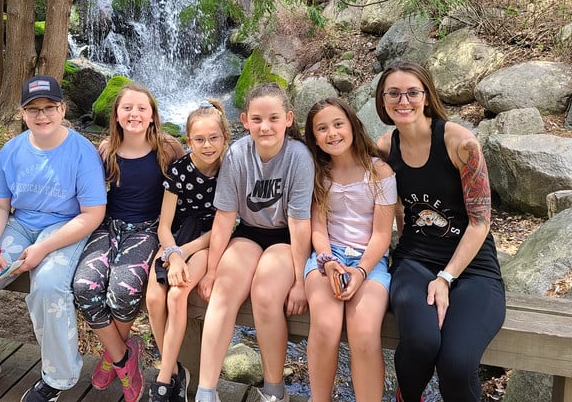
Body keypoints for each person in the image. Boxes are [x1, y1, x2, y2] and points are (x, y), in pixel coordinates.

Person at [0, 75, 106, 402]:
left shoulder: (82, 152)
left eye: (49, 108)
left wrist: (42, 248)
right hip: (20, 224)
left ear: (63, 109)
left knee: (48, 286)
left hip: (66, 228)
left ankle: (58, 377)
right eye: (33, 109)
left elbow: (92, 214)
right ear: (23, 113)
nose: (42, 116)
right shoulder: (12, 151)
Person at [374, 61, 505, 402]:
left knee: (457, 363)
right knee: (421, 342)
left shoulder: (460, 143)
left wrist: (446, 278)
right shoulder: (385, 148)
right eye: (393, 93)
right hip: (414, 260)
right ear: (382, 99)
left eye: (412, 92)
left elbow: (480, 222)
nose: (403, 101)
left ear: (427, 97)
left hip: (474, 267)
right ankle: (408, 395)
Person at [194, 82, 314, 402]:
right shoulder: (236, 154)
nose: (266, 126)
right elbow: (224, 218)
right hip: (248, 231)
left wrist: (301, 281)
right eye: (258, 119)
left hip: (286, 237)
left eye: (274, 118)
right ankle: (206, 390)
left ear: (288, 119)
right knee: (224, 288)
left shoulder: (298, 157)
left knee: (264, 294)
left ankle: (274, 390)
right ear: (245, 120)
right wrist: (210, 269)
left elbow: (301, 223)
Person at [72, 82, 184, 402]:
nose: (134, 113)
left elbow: (192, 183)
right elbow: (86, 192)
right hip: (108, 227)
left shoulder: (168, 149)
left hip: (149, 230)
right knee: (85, 286)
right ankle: (123, 356)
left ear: (152, 116)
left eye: (141, 108)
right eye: (127, 108)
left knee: (123, 290)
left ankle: (112, 356)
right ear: (117, 115)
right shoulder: (105, 150)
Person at [303, 98, 397, 402]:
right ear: (314, 137)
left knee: (366, 333)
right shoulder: (318, 173)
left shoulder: (379, 172)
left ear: (352, 125)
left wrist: (360, 271)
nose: (332, 133)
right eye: (322, 128)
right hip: (327, 257)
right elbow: (318, 227)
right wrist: (328, 261)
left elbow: (382, 234)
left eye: (338, 124)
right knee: (326, 326)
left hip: (371, 261)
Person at [145, 100, 231, 402]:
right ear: (188, 140)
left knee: (178, 293)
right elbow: (164, 225)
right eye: (199, 139)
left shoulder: (230, 169)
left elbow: (224, 228)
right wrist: (173, 254)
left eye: (213, 138)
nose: (207, 145)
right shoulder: (179, 170)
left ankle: (164, 378)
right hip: (176, 235)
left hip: (211, 240)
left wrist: (184, 253)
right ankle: (177, 369)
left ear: (225, 137)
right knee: (155, 297)